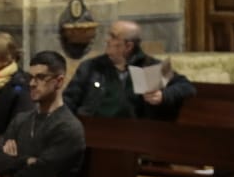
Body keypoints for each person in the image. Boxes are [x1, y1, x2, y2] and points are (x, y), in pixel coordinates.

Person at [64, 19, 193, 119]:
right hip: (94, 132)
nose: (107, 40)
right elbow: (68, 100)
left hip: (136, 136)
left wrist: (163, 96)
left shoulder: (148, 67)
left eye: (113, 36)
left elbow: (186, 86)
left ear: (128, 46)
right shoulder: (92, 67)